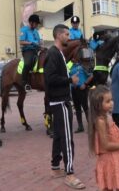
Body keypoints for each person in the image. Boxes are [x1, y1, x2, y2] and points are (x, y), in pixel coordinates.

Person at [44, 24, 85, 189]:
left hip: (61, 100)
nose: (69, 37)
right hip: (60, 102)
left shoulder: (59, 53)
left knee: (59, 136)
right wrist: (70, 80)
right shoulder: (52, 54)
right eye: (67, 34)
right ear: (58, 35)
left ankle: (55, 168)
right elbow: (50, 79)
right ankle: (70, 174)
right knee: (67, 138)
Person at [88, 85, 119, 191]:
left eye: (112, 100)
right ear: (98, 105)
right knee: (110, 187)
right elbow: (106, 145)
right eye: (107, 101)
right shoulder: (100, 121)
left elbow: (113, 136)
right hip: (109, 160)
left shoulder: (108, 116)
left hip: (116, 158)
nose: (111, 103)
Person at [67, 55, 93, 133]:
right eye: (71, 58)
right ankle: (80, 126)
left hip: (82, 89)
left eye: (73, 57)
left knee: (85, 107)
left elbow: (91, 75)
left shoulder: (83, 66)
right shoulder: (70, 67)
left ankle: (91, 127)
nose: (72, 59)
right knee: (77, 108)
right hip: (74, 89)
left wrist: (85, 84)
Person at [19, 14, 41, 91]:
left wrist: (40, 45)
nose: (37, 25)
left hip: (36, 50)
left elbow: (39, 41)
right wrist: (30, 43)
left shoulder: (36, 32)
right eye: (36, 23)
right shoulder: (24, 30)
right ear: (31, 22)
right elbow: (21, 42)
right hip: (27, 50)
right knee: (28, 63)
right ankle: (24, 83)